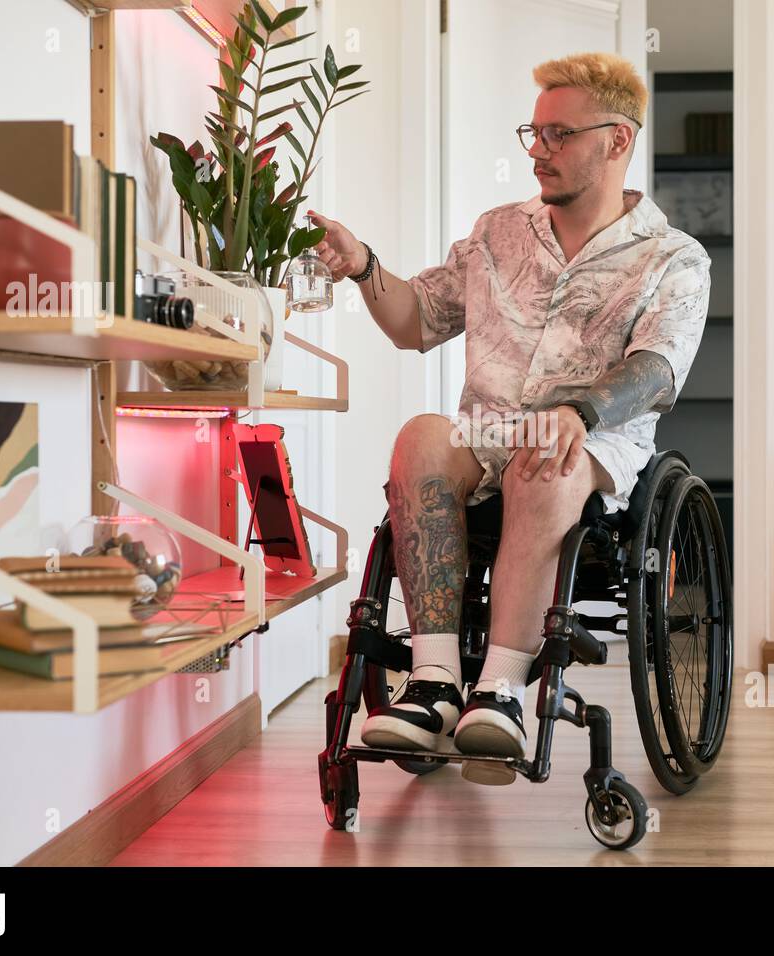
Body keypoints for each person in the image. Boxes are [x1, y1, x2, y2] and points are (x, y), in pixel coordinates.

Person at [305, 51, 711, 771]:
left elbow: (657, 367)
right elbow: (418, 321)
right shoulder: (498, 233)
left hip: (591, 445)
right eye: (533, 132)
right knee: (422, 437)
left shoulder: (672, 259)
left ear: (616, 140)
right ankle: (433, 683)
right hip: (488, 430)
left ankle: (500, 689)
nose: (537, 153)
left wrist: (580, 412)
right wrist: (365, 264)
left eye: (558, 135)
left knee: (544, 462)